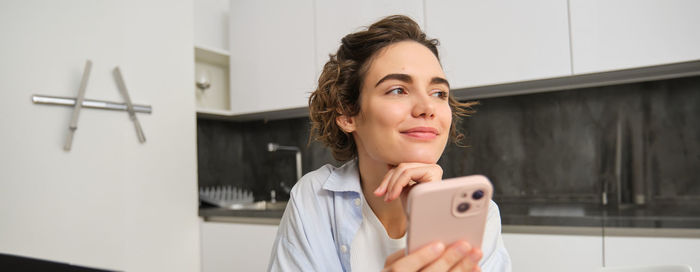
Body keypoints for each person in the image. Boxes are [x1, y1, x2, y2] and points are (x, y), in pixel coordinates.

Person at [268, 15, 511, 272]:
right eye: (398, 90)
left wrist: (438, 221)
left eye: (439, 93)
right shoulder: (315, 198)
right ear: (348, 113)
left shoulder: (477, 215)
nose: (428, 108)